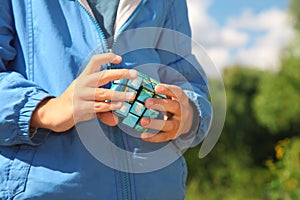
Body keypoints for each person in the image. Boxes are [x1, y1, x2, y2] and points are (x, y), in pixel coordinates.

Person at [0, 0, 212, 199]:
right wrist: (45, 110)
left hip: (159, 189)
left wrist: (188, 114)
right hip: (52, 189)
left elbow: (188, 81)